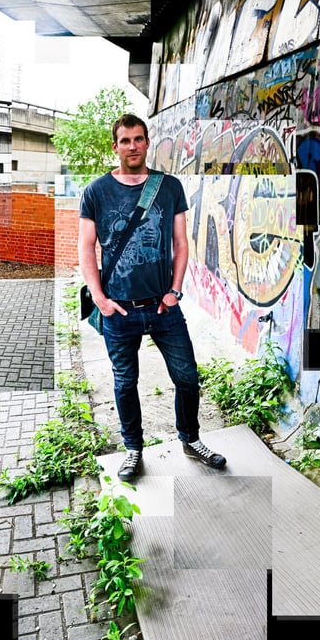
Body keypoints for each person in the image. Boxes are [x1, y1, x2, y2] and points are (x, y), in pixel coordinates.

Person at [78, 113, 226, 482]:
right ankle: (133, 449)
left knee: (187, 377)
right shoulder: (96, 192)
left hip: (163, 308)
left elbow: (181, 243)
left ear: (147, 142)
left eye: (138, 139)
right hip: (119, 310)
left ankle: (190, 439)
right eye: (125, 140)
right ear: (115, 146)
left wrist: (175, 291)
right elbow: (85, 248)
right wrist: (99, 298)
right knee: (125, 383)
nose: (132, 146)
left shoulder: (168, 187)